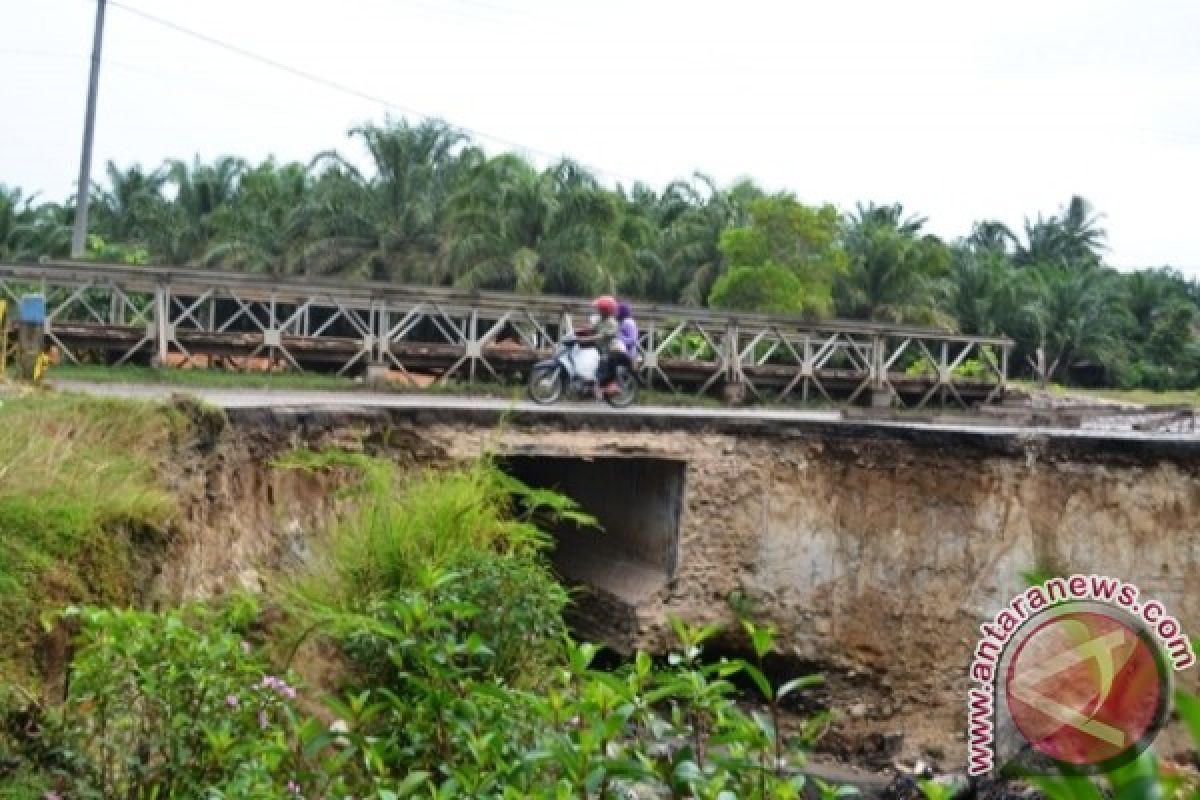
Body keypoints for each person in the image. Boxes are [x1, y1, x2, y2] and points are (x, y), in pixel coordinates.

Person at [574, 295, 620, 394]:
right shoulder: (600, 319)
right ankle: (585, 381)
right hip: (597, 347)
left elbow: (602, 336)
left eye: (600, 309)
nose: (598, 310)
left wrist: (587, 339)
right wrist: (578, 330)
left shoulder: (612, 323)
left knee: (603, 362)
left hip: (609, 349)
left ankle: (601, 384)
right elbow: (592, 328)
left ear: (606, 310)